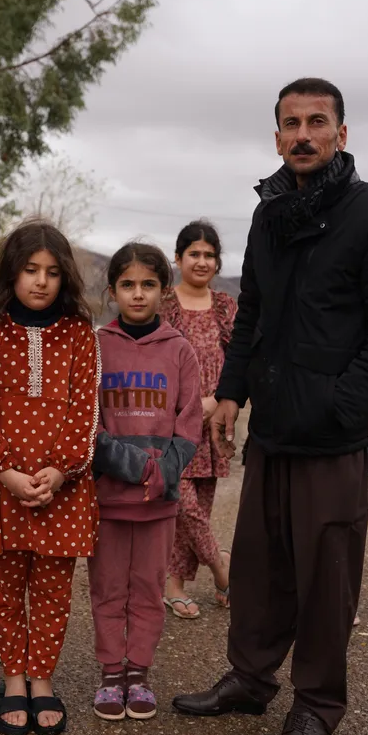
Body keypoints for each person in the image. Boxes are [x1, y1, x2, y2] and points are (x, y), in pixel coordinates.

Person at [172, 77, 368, 735]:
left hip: (334, 439)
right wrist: (231, 391)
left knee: (325, 580)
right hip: (273, 431)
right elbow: (252, 311)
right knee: (259, 566)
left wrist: (345, 405)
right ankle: (251, 679)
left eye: (317, 121)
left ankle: (316, 704)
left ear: (342, 133)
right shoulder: (270, 213)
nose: (304, 134)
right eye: (292, 123)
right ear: (277, 135)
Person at [0, 219, 100, 735]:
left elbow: (86, 411)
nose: (41, 281)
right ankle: (13, 680)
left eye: (52, 272)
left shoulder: (80, 334)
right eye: (30, 269)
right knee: (4, 591)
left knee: (52, 592)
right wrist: (6, 471)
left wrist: (61, 470)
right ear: (11, 273)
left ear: (65, 278)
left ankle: (42, 679)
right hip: (1, 489)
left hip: (62, 490)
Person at [90, 243, 202, 721]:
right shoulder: (96, 346)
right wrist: (137, 468)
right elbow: (88, 426)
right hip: (108, 499)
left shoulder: (179, 350)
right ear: (112, 290)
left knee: (148, 589)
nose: (138, 294)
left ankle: (138, 674)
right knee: (108, 590)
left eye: (149, 284)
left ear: (164, 289)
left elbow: (189, 424)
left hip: (159, 501)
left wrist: (163, 473)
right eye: (128, 285)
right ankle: (110, 674)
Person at [161, 220, 237, 619]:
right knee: (182, 505)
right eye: (194, 253)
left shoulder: (225, 306)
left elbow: (240, 359)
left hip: (213, 423)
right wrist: (187, 406)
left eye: (209, 255)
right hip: (171, 423)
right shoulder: (163, 304)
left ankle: (174, 586)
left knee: (197, 512)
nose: (202, 261)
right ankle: (222, 568)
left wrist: (220, 400)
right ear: (178, 258)